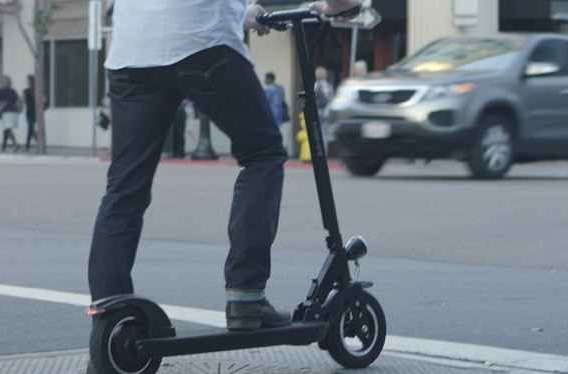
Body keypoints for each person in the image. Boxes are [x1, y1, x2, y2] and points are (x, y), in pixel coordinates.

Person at [87, 0, 363, 352]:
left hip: (132, 50)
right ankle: (246, 295)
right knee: (263, 153)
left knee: (124, 187)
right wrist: (338, 6)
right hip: (202, 44)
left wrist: (236, 13)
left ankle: (111, 320)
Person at [0, 76, 20, 153]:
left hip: (6, 111)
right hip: (13, 111)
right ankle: (3, 147)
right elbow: (16, 99)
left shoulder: (2, 91)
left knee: (7, 129)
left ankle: (15, 143)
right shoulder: (13, 91)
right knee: (6, 129)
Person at [314, 66, 334, 152]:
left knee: (316, 134)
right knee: (325, 134)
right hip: (327, 112)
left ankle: (318, 152)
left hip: (317, 112)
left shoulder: (316, 85)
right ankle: (324, 153)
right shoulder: (329, 86)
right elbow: (330, 99)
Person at [22, 75, 39, 151]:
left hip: (29, 110)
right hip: (35, 110)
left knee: (30, 128)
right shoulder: (36, 90)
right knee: (30, 127)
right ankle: (27, 145)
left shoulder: (26, 91)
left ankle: (38, 140)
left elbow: (22, 99)